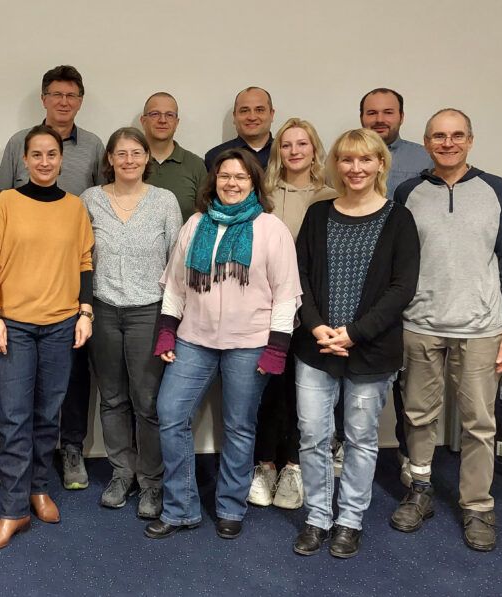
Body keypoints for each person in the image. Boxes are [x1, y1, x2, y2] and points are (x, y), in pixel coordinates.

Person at [146, 148, 301, 541]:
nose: (232, 183)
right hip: (194, 339)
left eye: (241, 177)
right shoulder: (196, 224)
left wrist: (276, 348)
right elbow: (176, 286)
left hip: (250, 343)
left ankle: (231, 507)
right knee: (170, 413)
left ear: (254, 183)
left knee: (239, 426)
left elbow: (286, 296)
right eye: (225, 176)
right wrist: (167, 330)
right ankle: (180, 508)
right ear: (214, 181)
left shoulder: (271, 229)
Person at [391, 108, 502, 552]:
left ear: (470, 140)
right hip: (421, 323)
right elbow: (398, 259)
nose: (447, 143)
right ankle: (420, 490)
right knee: (417, 416)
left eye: (456, 136)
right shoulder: (409, 192)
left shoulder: (496, 190)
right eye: (438, 136)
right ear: (427, 142)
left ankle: (477, 506)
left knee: (479, 424)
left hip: (481, 326)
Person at [291, 128, 419, 559]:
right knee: (313, 435)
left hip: (372, 348)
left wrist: (354, 332)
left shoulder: (399, 219)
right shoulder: (318, 214)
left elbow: (402, 288)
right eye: (347, 159)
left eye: (366, 159)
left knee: (360, 438)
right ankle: (317, 517)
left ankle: (349, 521)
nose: (356, 168)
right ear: (336, 165)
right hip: (316, 347)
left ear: (381, 163)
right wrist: (316, 327)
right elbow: (299, 276)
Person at [0, 125, 94, 550]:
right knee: (14, 418)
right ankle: (13, 510)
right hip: (14, 326)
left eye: (52, 154)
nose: (44, 162)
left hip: (61, 324)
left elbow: (84, 261)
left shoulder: (75, 208)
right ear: (24, 160)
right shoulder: (7, 202)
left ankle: (39, 488)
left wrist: (85, 312)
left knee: (48, 414)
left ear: (61, 159)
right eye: (37, 155)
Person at [0, 64, 105, 490]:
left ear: (80, 101)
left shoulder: (93, 145)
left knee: (69, 381)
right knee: (16, 395)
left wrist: (84, 305)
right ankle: (14, 461)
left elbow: (98, 203)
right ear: (44, 99)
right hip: (20, 294)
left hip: (67, 286)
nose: (63, 102)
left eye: (71, 95)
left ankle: (70, 448)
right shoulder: (18, 143)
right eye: (56, 94)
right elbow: (1, 210)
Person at [80, 127, 182, 518]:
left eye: (136, 153)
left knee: (147, 402)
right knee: (112, 398)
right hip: (103, 309)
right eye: (121, 153)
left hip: (149, 312)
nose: (128, 160)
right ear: (109, 159)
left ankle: (151, 481)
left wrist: (174, 319)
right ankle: (122, 473)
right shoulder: (90, 199)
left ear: (146, 158)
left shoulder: (164, 201)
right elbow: (81, 257)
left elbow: (176, 263)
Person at [248, 118, 337, 510]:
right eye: (286, 145)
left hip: (313, 310)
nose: (294, 151)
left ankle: (294, 467)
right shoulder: (262, 194)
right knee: (269, 390)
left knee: (305, 394)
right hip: (266, 310)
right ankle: (266, 464)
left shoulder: (330, 196)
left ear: (314, 149)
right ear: (277, 151)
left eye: (302, 144)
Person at [358, 87, 434, 486]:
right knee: (354, 370)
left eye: (388, 112)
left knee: (408, 381)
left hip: (406, 282)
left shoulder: (424, 161)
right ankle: (346, 446)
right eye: (372, 112)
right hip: (360, 282)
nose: (379, 119)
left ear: (401, 117)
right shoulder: (349, 157)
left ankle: (408, 453)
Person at [140, 92, 207, 220]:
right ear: (143, 121)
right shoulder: (129, 163)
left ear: (176, 122)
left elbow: (205, 217)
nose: (162, 120)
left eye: (169, 115)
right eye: (155, 114)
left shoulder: (196, 165)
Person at [204, 87, 275, 171]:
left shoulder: (285, 153)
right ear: (234, 116)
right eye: (244, 111)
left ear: (271, 114)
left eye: (259, 110)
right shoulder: (215, 157)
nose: (252, 117)